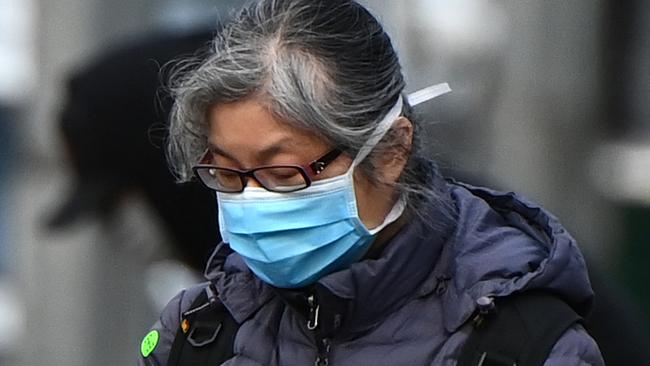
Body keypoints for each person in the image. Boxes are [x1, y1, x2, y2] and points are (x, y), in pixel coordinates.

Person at [139, 1, 604, 365]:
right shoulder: (202, 331)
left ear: (390, 151)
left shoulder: (523, 347)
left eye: (282, 174)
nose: (252, 202)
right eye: (227, 173)